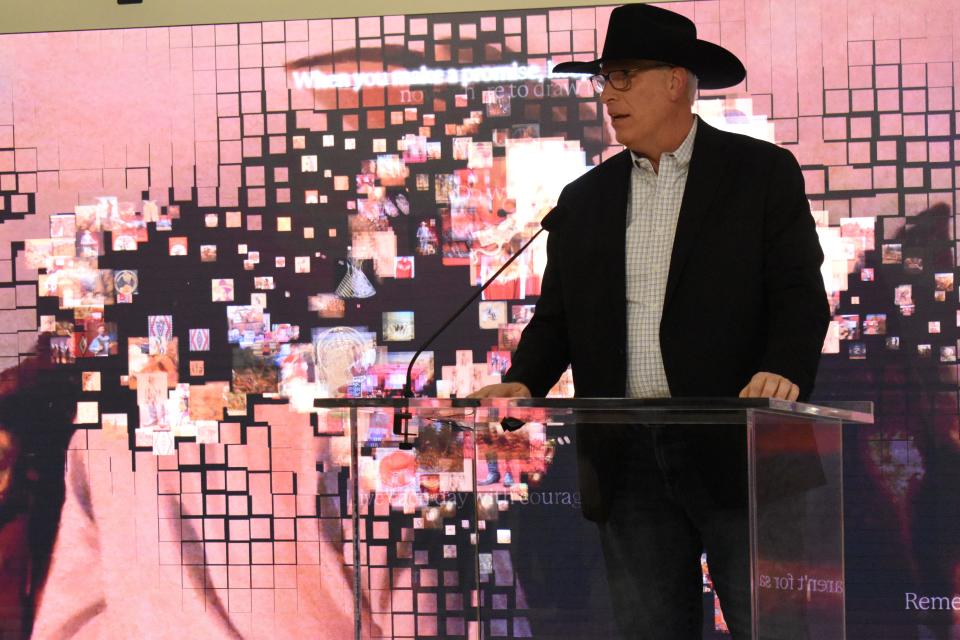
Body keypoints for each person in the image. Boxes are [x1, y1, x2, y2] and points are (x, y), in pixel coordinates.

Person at [471, 4, 830, 639]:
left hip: (739, 448)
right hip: (626, 453)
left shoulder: (761, 174)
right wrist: (523, 380)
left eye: (623, 76)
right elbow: (557, 319)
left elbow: (801, 296)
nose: (608, 96)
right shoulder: (585, 200)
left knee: (776, 629)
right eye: (603, 80)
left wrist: (782, 370)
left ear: (675, 81)